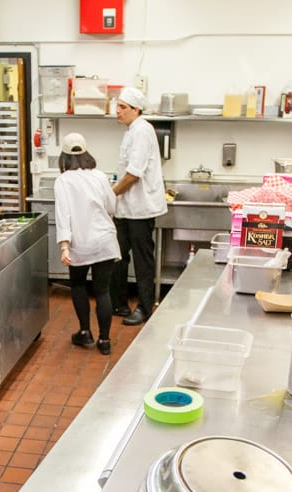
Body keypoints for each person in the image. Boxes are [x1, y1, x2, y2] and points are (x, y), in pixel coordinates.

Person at [54, 133, 120, 355]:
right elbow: (112, 206)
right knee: (103, 291)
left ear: (63, 156)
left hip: (79, 243)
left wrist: (64, 246)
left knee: (79, 285)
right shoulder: (100, 176)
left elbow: (63, 215)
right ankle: (104, 340)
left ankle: (85, 332)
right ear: (85, 152)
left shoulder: (63, 180)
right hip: (104, 240)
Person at [110, 87, 167, 326]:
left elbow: (133, 174)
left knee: (143, 260)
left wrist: (109, 195)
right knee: (118, 256)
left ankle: (144, 308)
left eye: (123, 107)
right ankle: (120, 303)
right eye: (118, 106)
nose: (118, 111)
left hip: (140, 209)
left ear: (136, 109)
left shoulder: (143, 130)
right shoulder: (131, 131)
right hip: (125, 208)